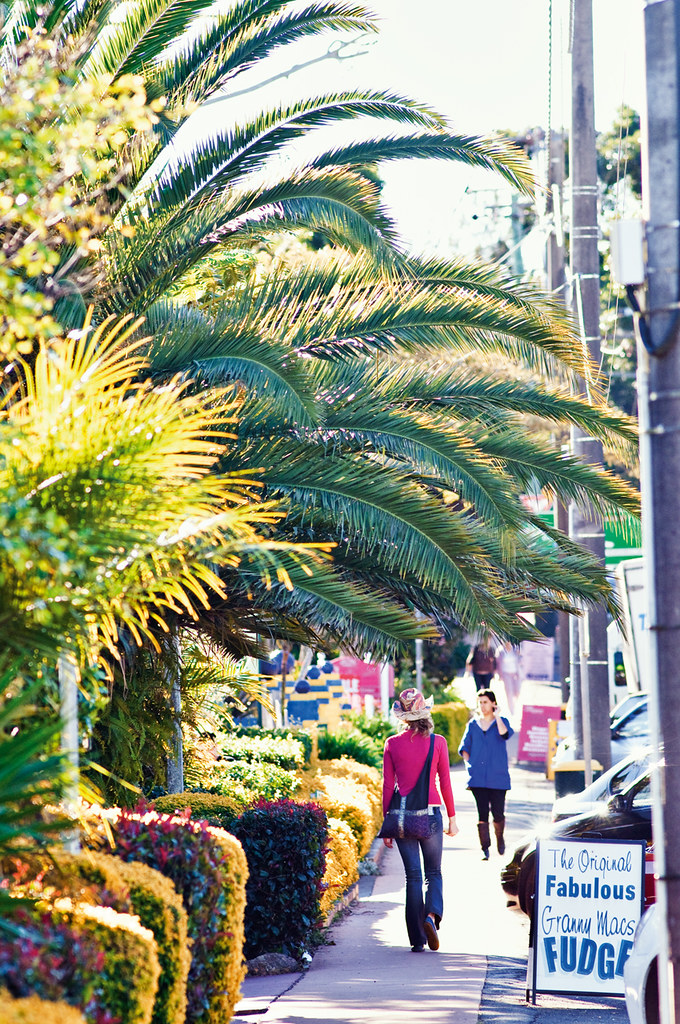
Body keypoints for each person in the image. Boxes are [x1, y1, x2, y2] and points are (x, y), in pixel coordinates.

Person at [381, 688, 458, 952]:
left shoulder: (392, 743)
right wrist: (452, 818)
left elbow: (387, 785)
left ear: (402, 716)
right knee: (434, 872)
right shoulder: (438, 742)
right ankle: (431, 916)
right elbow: (445, 781)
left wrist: (386, 824)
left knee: (413, 877)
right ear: (424, 712)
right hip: (431, 814)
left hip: (403, 818)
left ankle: (416, 940)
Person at [458, 688, 513, 860]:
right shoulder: (473, 724)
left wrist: (497, 716)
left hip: (498, 777)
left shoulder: (501, 721)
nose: (482, 706)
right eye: (480, 702)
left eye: (485, 702)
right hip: (477, 778)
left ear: (493, 703)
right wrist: (470, 765)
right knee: (482, 814)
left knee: (498, 813)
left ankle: (500, 838)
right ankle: (485, 848)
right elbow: (464, 748)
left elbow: (505, 734)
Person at [495, 641, 522, 718]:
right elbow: (498, 664)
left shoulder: (515, 650)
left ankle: (514, 703)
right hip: (505, 673)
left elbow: (519, 660)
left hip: (515, 673)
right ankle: (511, 709)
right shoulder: (500, 651)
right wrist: (499, 675)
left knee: (517, 691)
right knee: (509, 692)